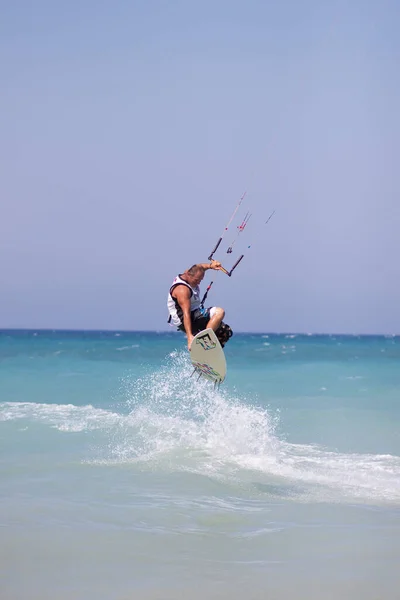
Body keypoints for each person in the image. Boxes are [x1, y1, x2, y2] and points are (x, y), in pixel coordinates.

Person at [167, 260, 233, 350]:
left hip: (195, 314)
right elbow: (186, 314)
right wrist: (189, 336)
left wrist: (211, 266)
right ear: (189, 275)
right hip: (185, 319)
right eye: (197, 280)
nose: (198, 283)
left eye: (201, 280)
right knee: (219, 312)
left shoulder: (189, 273)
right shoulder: (182, 290)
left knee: (225, 332)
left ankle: (208, 354)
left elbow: (200, 267)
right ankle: (204, 342)